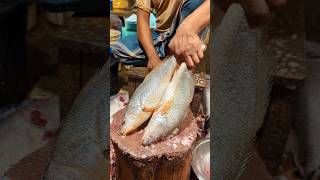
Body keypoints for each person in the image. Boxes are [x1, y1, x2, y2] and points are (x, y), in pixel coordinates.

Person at [112, 0, 210, 70]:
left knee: (195, 2)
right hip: (162, 36)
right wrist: (152, 57)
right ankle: (168, 55)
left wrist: (187, 29)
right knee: (118, 49)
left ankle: (183, 56)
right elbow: (142, 22)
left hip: (190, 32)